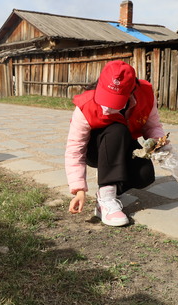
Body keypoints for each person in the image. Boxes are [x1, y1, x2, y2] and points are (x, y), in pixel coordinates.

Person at [65, 60, 166, 226]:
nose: (109, 105)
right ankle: (107, 200)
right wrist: (79, 189)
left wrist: (160, 144)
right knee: (116, 129)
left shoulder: (145, 95)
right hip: (97, 150)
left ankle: (106, 192)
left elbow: (153, 126)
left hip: (124, 145)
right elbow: (75, 149)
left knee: (144, 176)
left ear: (132, 89)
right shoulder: (85, 106)